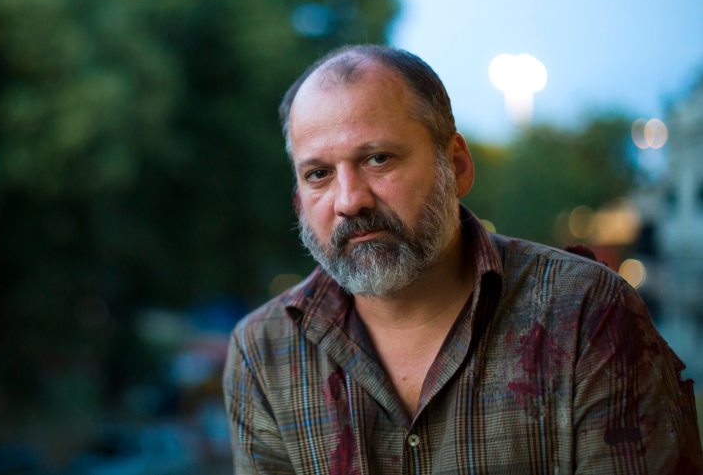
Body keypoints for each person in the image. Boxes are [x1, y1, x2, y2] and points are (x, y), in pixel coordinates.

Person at [222, 44, 703, 474]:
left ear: (456, 165)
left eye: (378, 159)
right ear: (298, 199)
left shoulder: (586, 313)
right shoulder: (265, 350)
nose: (349, 200)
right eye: (319, 174)